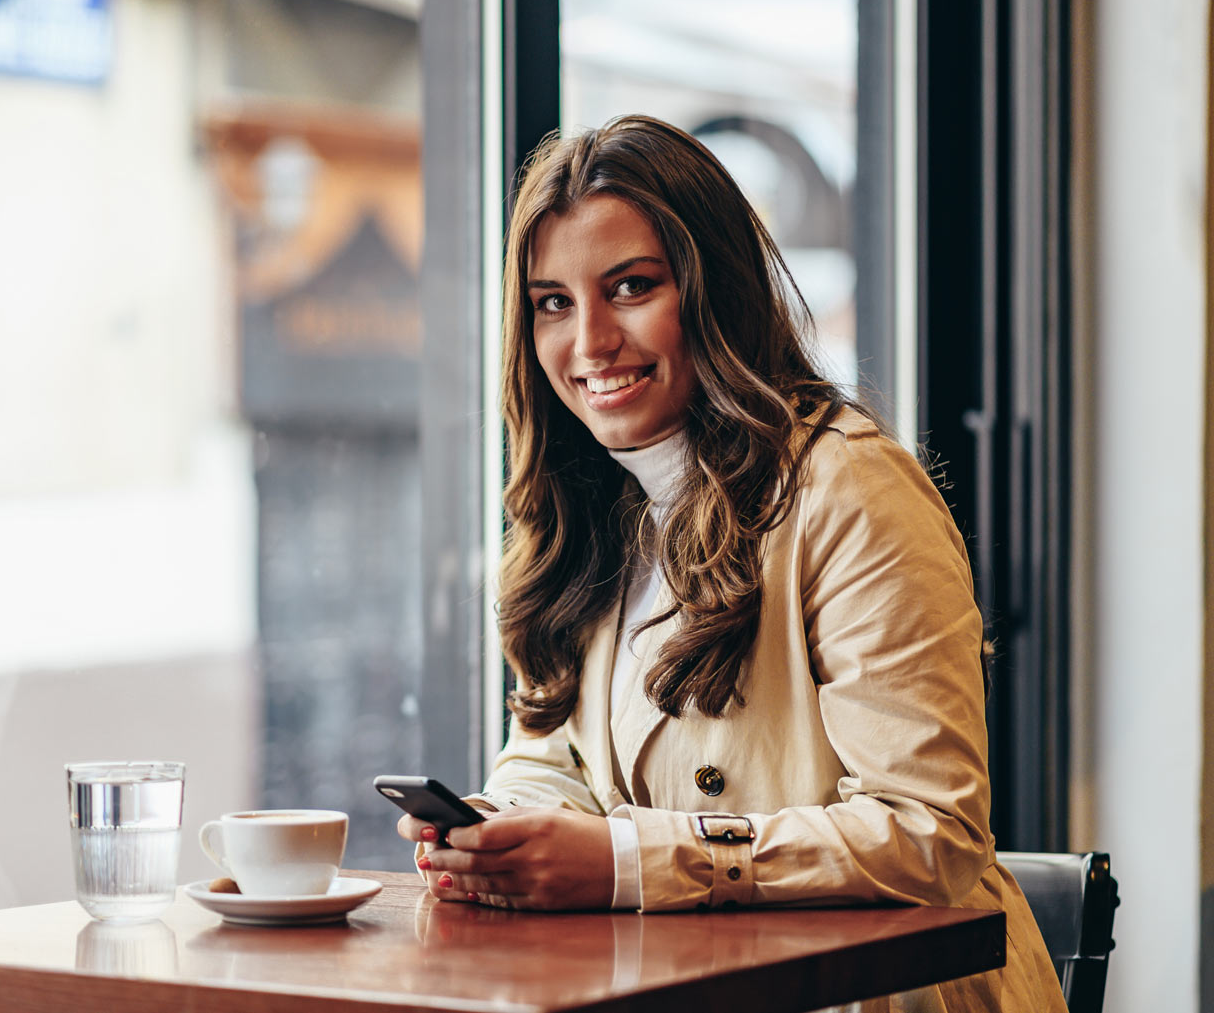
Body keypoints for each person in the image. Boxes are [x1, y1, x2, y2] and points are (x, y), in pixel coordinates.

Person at [395, 115, 1064, 1011]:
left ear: (715, 290)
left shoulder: (849, 487)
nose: (589, 341)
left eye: (630, 287)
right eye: (553, 301)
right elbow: (553, 759)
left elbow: (930, 834)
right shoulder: (591, 508)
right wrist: (495, 830)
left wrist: (628, 859)